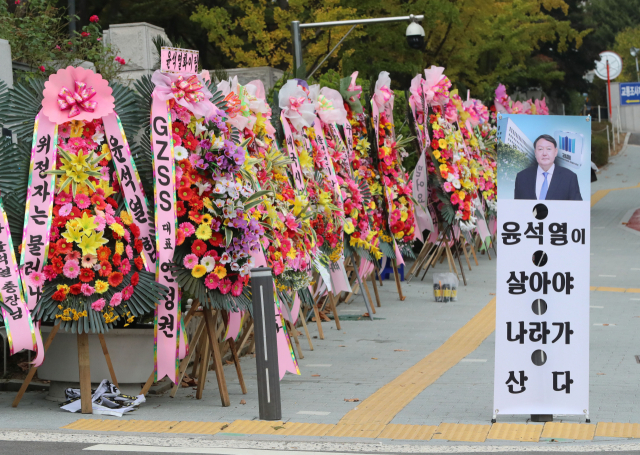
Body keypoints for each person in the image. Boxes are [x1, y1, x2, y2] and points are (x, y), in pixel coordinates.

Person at [514, 134, 582, 201]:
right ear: (535, 152)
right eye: (540, 149)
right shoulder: (522, 177)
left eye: (548, 149)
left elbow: (577, 208)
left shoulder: (569, 177)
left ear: (555, 152)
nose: (544, 153)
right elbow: (517, 208)